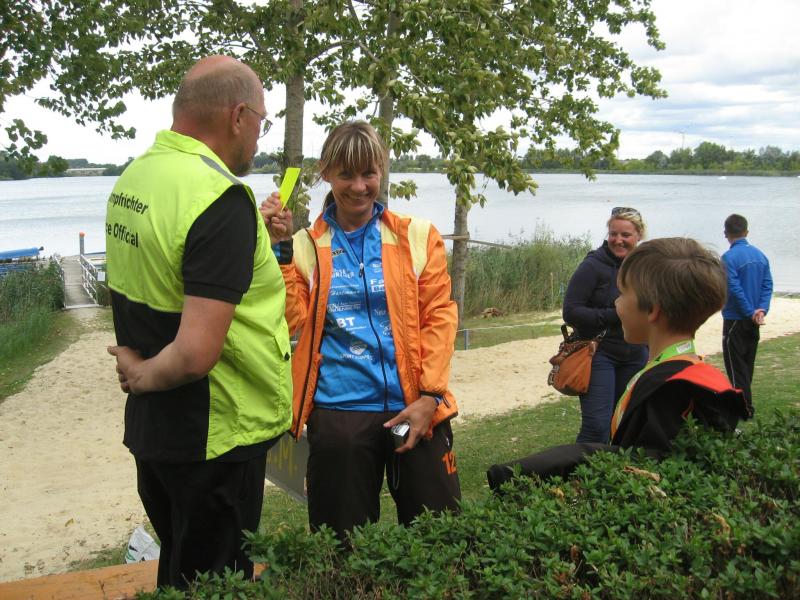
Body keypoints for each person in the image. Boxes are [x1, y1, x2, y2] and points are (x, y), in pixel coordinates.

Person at [105, 56, 292, 589]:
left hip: (158, 429)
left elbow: (169, 274)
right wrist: (140, 376)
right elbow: (195, 352)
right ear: (237, 116)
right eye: (261, 121)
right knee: (215, 582)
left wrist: (252, 238)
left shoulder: (137, 177)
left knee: (179, 569)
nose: (258, 136)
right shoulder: (218, 198)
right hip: (217, 430)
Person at [262, 120, 461, 542]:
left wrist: (430, 397)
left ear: (382, 171)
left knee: (439, 538)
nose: (358, 186)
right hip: (340, 412)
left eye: (368, 173)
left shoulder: (417, 236)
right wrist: (279, 249)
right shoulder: (305, 245)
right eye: (345, 174)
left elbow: (440, 318)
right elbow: (290, 317)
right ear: (326, 173)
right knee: (342, 545)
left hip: (415, 405)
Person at [487, 238, 749, 489]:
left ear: (652, 310)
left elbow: (645, 471)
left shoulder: (667, 390)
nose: (616, 302)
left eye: (622, 294)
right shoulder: (692, 372)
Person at [562, 207, 649, 443]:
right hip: (599, 354)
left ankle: (617, 466)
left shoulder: (644, 266)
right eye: (613, 234)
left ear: (639, 235)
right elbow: (571, 311)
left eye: (625, 235)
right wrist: (617, 314)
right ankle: (582, 468)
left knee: (625, 423)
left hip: (636, 354)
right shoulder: (593, 266)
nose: (618, 240)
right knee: (597, 428)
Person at [721, 214, 773, 418]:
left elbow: (734, 289)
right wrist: (761, 309)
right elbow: (767, 285)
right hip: (754, 319)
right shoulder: (761, 255)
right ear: (746, 232)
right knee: (746, 365)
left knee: (736, 368)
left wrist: (750, 311)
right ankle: (745, 405)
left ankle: (743, 409)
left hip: (736, 318)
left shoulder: (728, 258)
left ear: (726, 233)